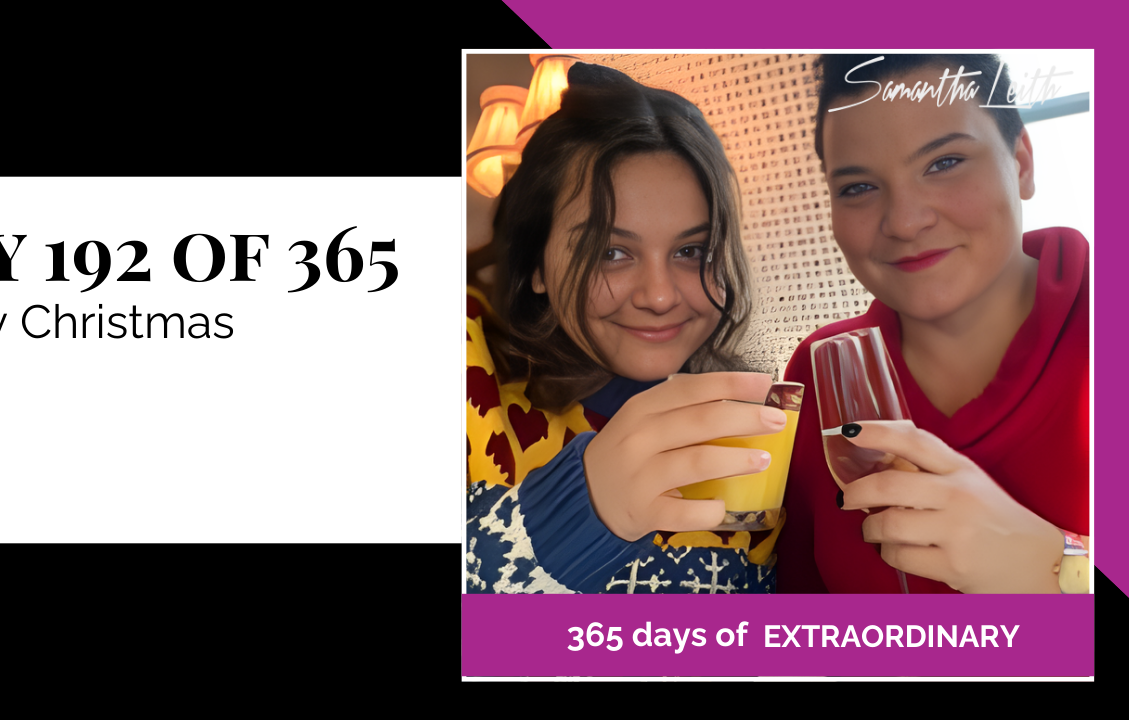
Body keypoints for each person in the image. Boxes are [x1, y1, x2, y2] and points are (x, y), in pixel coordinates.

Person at [466, 63, 784, 594]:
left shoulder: (752, 432)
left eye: (692, 251)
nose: (659, 296)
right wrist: (579, 511)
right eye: (610, 252)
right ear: (537, 264)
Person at [778, 54, 1090, 593]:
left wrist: (1060, 570)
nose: (904, 220)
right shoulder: (821, 369)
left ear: (1021, 163)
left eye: (944, 162)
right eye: (857, 188)